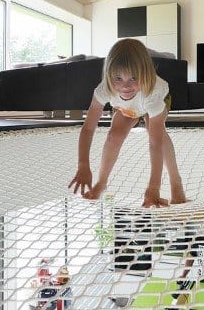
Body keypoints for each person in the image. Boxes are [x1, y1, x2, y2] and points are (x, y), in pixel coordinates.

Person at [69, 39, 188, 208]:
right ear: (109, 75)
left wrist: (154, 187)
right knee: (114, 135)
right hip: (128, 108)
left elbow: (155, 143)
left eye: (133, 78)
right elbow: (88, 128)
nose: (125, 86)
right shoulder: (105, 89)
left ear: (144, 74)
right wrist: (83, 165)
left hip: (150, 100)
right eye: (118, 78)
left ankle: (176, 182)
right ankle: (101, 183)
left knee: (156, 131)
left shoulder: (153, 92)